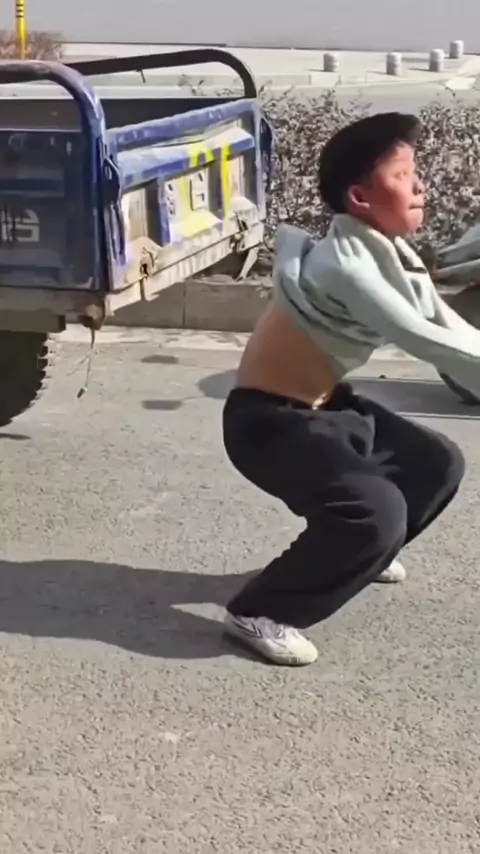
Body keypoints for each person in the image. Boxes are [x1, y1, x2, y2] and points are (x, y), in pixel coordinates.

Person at [221, 111, 478, 666]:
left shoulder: (386, 249)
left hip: (328, 407)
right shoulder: (345, 264)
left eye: (416, 172)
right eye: (403, 175)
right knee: (374, 513)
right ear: (360, 197)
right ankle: (258, 612)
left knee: (434, 464)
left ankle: (353, 557)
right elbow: (422, 338)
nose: (420, 186)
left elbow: (446, 324)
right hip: (267, 424)